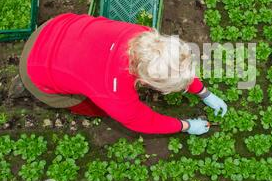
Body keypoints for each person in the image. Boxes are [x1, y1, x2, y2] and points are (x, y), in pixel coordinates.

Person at [18, 13, 227, 135]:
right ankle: (26, 85)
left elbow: (174, 64)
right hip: (36, 68)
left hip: (57, 27)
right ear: (145, 81)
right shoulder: (114, 94)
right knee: (90, 105)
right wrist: (186, 125)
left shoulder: (143, 36)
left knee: (89, 83)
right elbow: (144, 120)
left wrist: (204, 92)